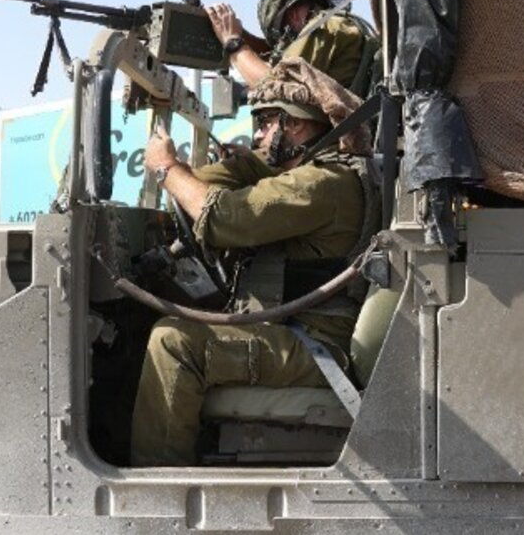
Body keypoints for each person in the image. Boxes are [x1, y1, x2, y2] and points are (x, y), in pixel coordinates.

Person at [132, 58, 371, 466]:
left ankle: (157, 489)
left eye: (265, 123)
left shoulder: (322, 183)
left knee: (173, 341)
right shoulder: (318, 173)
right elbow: (208, 189)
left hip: (314, 343)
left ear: (296, 125)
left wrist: (165, 168)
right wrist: (248, 162)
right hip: (295, 329)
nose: (258, 135)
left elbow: (223, 218)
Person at [206, 0, 375, 94]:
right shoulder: (339, 27)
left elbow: (275, 88)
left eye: (285, 26)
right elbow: (276, 58)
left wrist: (232, 42)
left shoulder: (325, 27)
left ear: (293, 12)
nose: (288, 35)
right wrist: (242, 35)